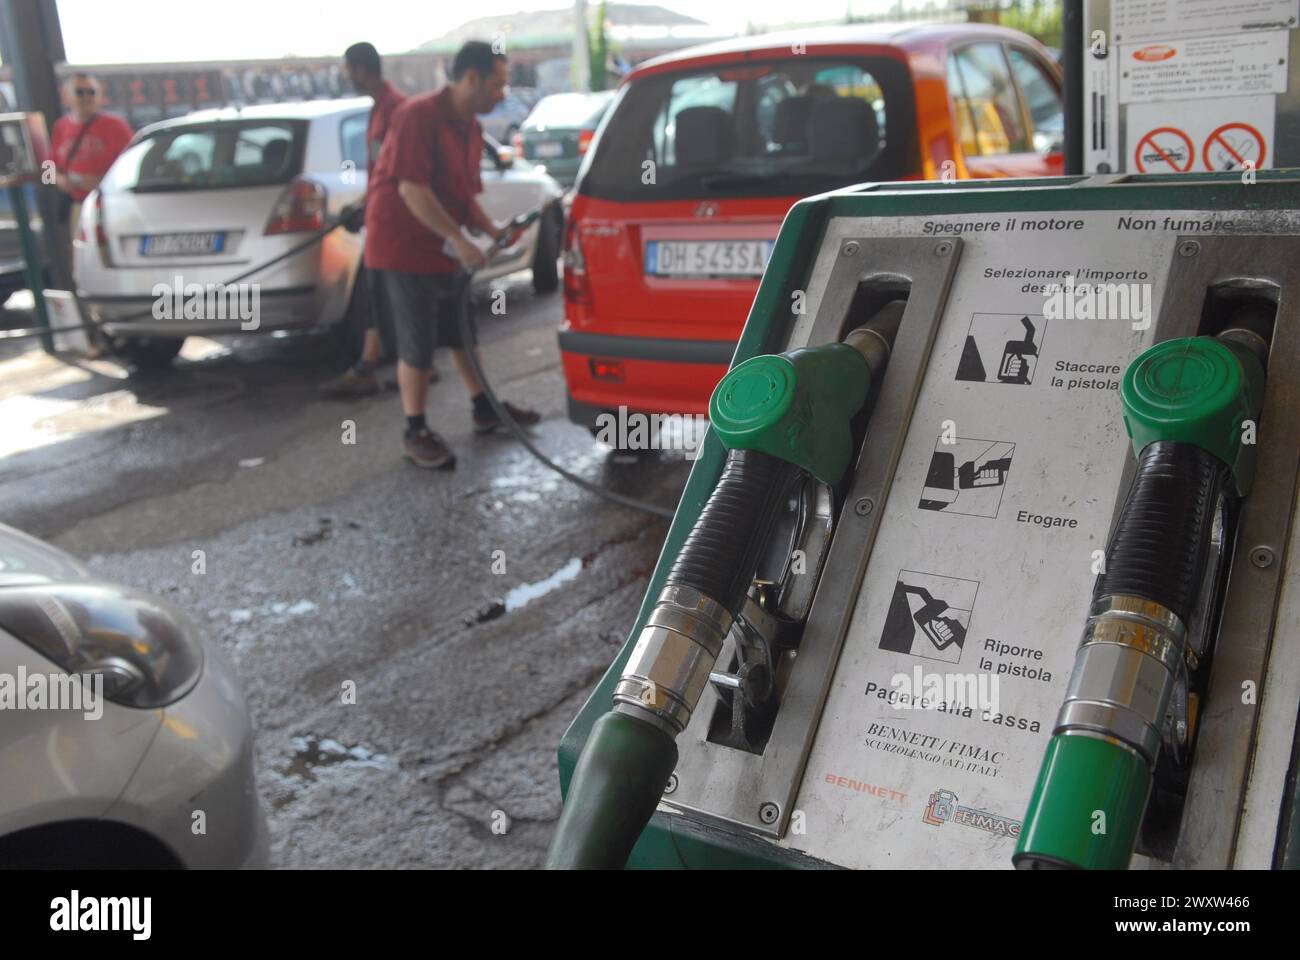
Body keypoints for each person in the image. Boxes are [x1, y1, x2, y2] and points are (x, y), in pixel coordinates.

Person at [364, 40, 539, 470]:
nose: (503, 93)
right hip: (403, 247)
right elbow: (411, 190)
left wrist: (492, 231)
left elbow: (464, 199)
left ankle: (483, 407)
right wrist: (460, 240)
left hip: (444, 245)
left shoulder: (471, 128)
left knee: (461, 331)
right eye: (498, 84)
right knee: (418, 344)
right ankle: (415, 430)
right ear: (471, 78)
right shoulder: (417, 116)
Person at [320, 42, 428, 398]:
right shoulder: (379, 109)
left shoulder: (397, 110)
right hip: (381, 218)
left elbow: (402, 173)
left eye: (348, 69)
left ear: (362, 69)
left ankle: (415, 364)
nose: (346, 76)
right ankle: (375, 362)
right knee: (374, 291)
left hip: (396, 222)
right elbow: (382, 170)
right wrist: (364, 205)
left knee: (396, 294)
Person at [51, 74, 132, 267]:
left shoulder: (115, 125)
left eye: (92, 92)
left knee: (111, 257)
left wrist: (103, 181)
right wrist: (59, 181)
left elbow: (131, 163)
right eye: (80, 92)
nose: (87, 97)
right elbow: (48, 166)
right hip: (78, 205)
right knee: (82, 260)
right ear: (67, 96)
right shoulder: (61, 127)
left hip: (108, 203)